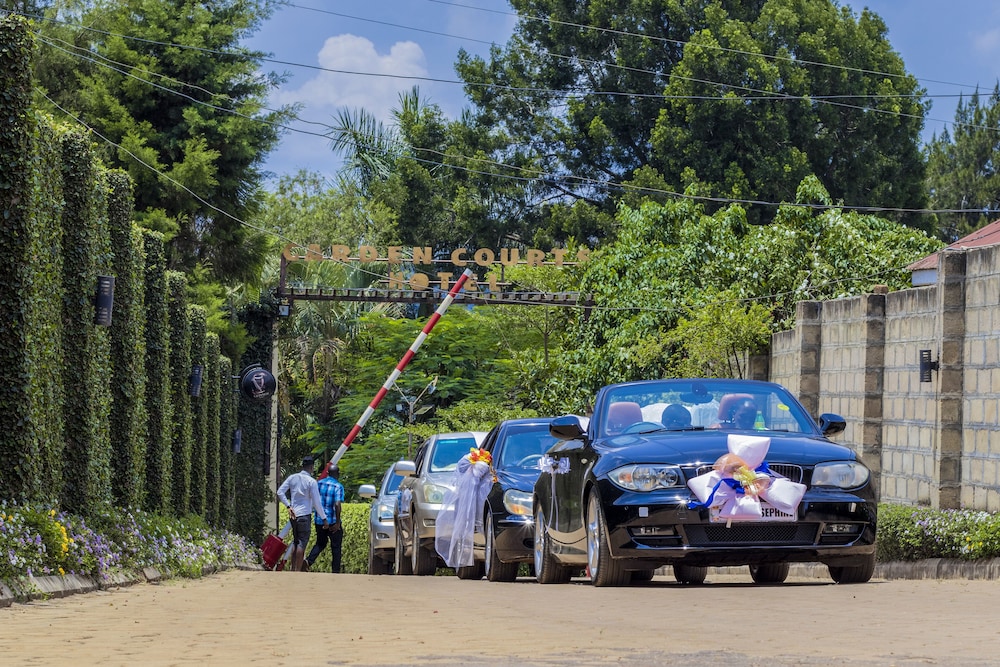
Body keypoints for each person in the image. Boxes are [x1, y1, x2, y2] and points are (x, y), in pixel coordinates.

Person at [276, 455, 328, 572]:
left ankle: (293, 568)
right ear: (311, 467)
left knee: (295, 541)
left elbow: (280, 492)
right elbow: (317, 502)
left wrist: (288, 506)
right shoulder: (311, 482)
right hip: (304, 515)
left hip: (293, 515)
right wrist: (324, 518)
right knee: (302, 542)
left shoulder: (292, 478)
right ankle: (297, 570)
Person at [306, 464, 344, 573]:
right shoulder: (338, 486)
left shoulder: (318, 484)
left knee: (320, 543)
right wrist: (337, 523)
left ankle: (308, 561)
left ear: (327, 473)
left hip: (320, 520)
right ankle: (335, 572)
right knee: (336, 547)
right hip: (332, 522)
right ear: (338, 474)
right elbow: (337, 504)